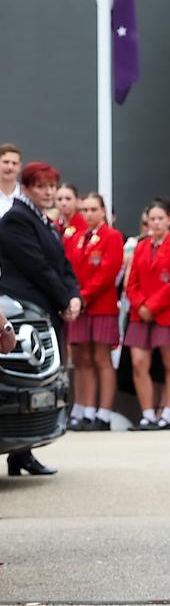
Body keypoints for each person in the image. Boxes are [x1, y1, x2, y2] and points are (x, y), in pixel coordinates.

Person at [0, 161, 81, 474]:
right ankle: (20, 452)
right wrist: (64, 299)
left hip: (48, 310)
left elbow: (62, 265)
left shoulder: (44, 220)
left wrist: (74, 297)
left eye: (52, 186)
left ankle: (23, 454)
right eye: (41, 187)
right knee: (23, 383)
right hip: (25, 308)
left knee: (40, 383)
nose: (49, 192)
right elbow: (37, 267)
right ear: (26, 188)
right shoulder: (15, 221)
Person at [124, 200, 170, 429]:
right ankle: (148, 413)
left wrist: (152, 306)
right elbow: (131, 282)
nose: (156, 223)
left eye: (160, 218)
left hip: (167, 313)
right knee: (138, 362)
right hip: (140, 314)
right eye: (152, 219)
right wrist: (141, 305)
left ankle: (168, 413)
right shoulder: (141, 246)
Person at [67, 193, 124, 431]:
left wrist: (84, 296)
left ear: (103, 211)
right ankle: (87, 410)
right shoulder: (77, 237)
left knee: (102, 358)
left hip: (100, 305)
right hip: (80, 306)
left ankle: (104, 412)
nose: (88, 214)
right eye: (85, 210)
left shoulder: (112, 236)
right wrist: (73, 296)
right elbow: (68, 268)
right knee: (82, 358)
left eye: (93, 209)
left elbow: (107, 272)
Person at [55, 183, 87, 258]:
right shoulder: (52, 225)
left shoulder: (86, 225)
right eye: (59, 199)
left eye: (68, 199)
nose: (64, 203)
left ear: (77, 201)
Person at [0, 143, 22, 219]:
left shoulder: (27, 198)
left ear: (19, 167)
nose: (10, 167)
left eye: (14, 163)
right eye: (6, 162)